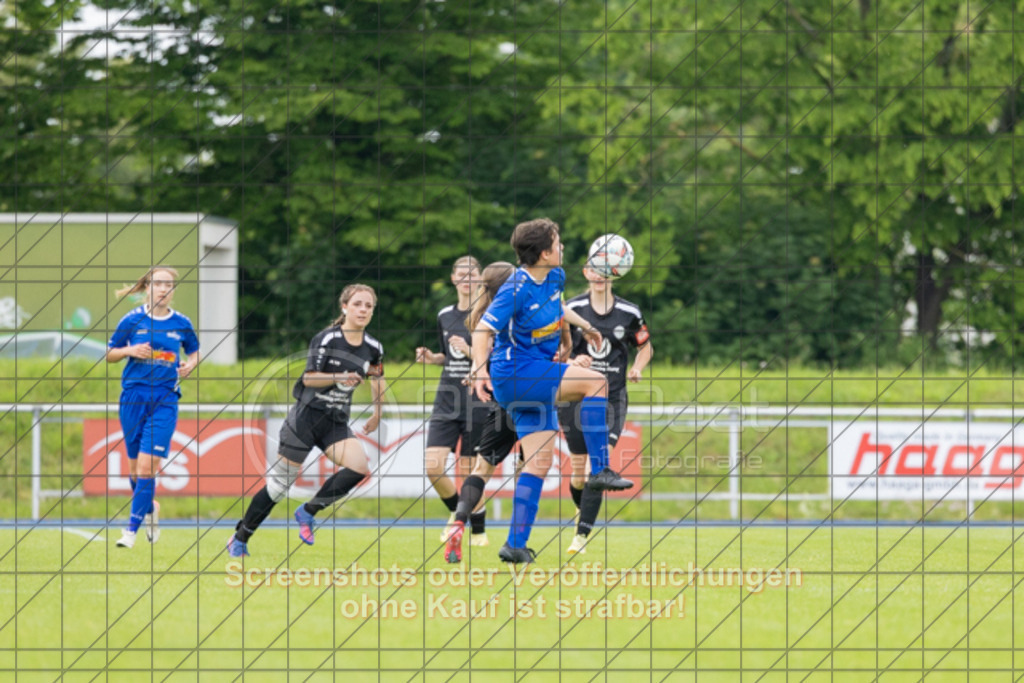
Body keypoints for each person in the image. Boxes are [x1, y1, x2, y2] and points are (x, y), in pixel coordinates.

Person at [469, 218, 633, 565]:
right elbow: (482, 331)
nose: (563, 248)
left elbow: (556, 307)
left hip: (532, 377)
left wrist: (585, 326)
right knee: (597, 382)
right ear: (544, 252)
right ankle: (601, 470)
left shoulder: (555, 277)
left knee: (539, 462)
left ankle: (515, 544)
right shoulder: (515, 288)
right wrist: (480, 370)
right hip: (515, 373)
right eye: (558, 243)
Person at [227, 284, 386, 557]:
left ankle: (308, 511)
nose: (363, 310)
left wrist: (377, 413)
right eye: (357, 304)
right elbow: (309, 378)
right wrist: (339, 377)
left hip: (335, 423)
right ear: (345, 307)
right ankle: (240, 537)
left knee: (359, 467)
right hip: (305, 419)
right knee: (279, 487)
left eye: (368, 306)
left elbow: (377, 378)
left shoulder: (373, 347)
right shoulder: (327, 339)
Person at [559, 265, 652, 555]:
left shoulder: (629, 312)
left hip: (612, 398)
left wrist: (637, 368)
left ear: (616, 272)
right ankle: (582, 512)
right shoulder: (572, 308)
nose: (599, 275)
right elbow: (556, 350)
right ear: (586, 272)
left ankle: (580, 538)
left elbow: (646, 347)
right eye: (594, 269)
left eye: (605, 269)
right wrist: (571, 362)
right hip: (575, 397)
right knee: (578, 473)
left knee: (596, 467)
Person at [107, 265, 199, 549]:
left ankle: (130, 532)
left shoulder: (181, 323)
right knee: (136, 472)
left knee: (147, 467)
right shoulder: (132, 319)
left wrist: (190, 365)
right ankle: (150, 509)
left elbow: (194, 352)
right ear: (147, 287)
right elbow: (110, 353)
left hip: (165, 401)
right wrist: (129, 350)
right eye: (158, 283)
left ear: (173, 290)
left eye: (168, 285)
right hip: (133, 399)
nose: (163, 289)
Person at [414, 256, 489, 543]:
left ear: (480, 279)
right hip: (446, 400)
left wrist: (470, 351)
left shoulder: (488, 314)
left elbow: (495, 360)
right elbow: (448, 355)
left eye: (472, 274)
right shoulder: (444, 315)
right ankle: (459, 515)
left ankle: (478, 533)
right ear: (453, 278)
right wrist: (433, 358)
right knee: (433, 467)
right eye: (462, 274)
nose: (467, 279)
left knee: (469, 472)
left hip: (477, 400)